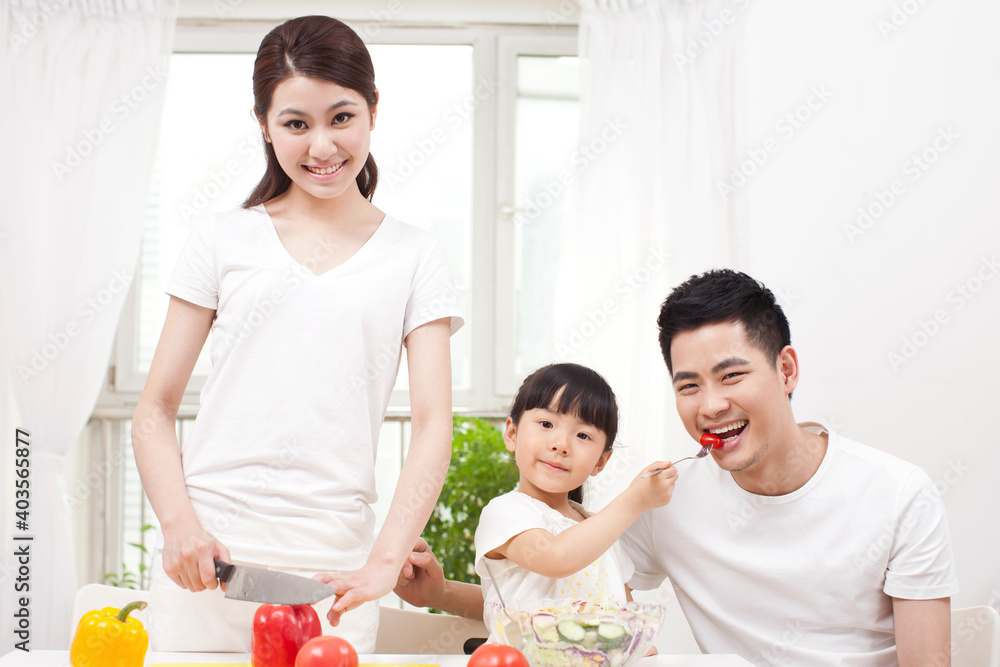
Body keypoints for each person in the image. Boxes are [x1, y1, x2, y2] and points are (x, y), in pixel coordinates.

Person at [395, 270, 957, 666]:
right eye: (689, 385)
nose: (710, 404)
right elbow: (551, 591)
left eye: (731, 376)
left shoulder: (898, 495)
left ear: (786, 370)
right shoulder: (668, 499)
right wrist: (441, 593)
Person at [132, 16, 462, 653]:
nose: (322, 146)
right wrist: (180, 527)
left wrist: (383, 562)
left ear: (372, 111)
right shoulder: (222, 239)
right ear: (264, 124)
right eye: (295, 123)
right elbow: (155, 409)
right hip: (206, 562)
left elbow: (432, 424)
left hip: (333, 573)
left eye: (341, 118)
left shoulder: (416, 255)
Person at [475, 363, 676, 636]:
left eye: (583, 435)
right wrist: (635, 500)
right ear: (512, 433)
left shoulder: (600, 532)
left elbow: (628, 615)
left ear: (601, 461)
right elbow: (555, 558)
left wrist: (637, 641)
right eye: (546, 424)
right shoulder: (505, 512)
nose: (561, 444)